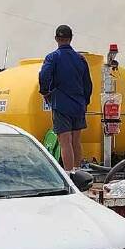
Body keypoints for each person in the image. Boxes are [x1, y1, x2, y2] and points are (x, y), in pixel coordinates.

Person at [38, 24, 93, 170]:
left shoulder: (52, 57)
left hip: (61, 104)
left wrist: (45, 92)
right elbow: (88, 84)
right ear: (71, 38)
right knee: (76, 141)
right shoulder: (81, 59)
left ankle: (69, 175)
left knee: (65, 141)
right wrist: (85, 102)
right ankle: (78, 172)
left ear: (56, 38)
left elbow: (44, 76)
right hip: (78, 105)